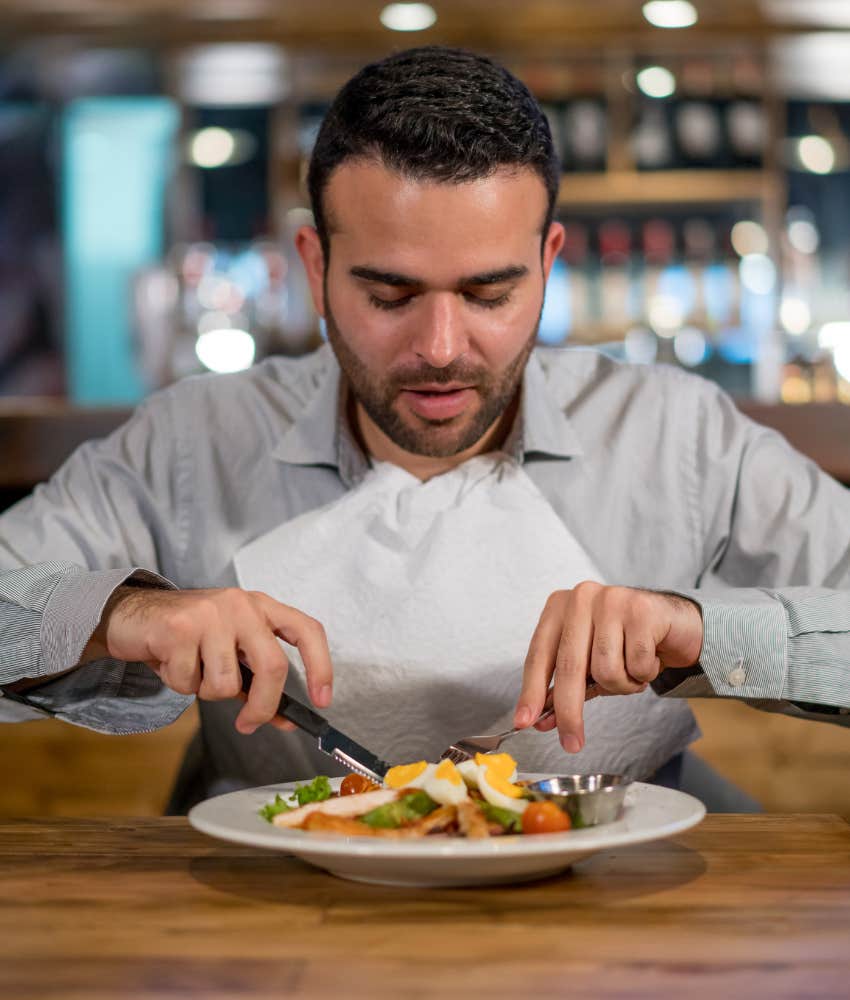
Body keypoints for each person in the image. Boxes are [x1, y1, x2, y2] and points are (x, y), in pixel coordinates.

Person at [1, 47, 849, 815]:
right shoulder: (193, 441)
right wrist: (123, 615)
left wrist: (700, 631)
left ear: (549, 263)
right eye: (390, 296)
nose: (441, 350)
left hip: (624, 912)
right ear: (315, 266)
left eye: (489, 294)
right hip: (269, 923)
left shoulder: (678, 436)